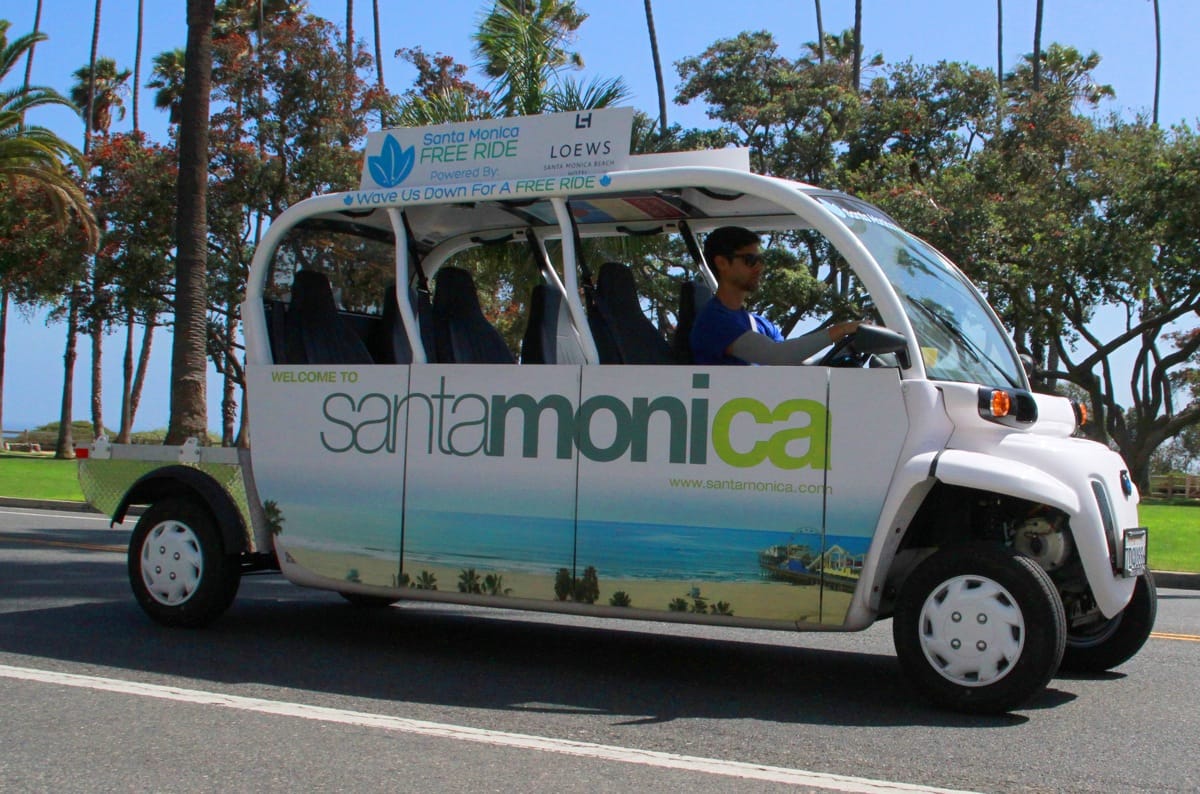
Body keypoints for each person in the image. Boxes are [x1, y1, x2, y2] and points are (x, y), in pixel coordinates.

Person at [689, 226, 859, 366]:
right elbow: (777, 356)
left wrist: (846, 351)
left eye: (760, 260)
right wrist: (841, 330)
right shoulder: (714, 321)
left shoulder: (759, 324)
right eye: (750, 260)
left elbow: (794, 364)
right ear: (722, 263)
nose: (759, 267)